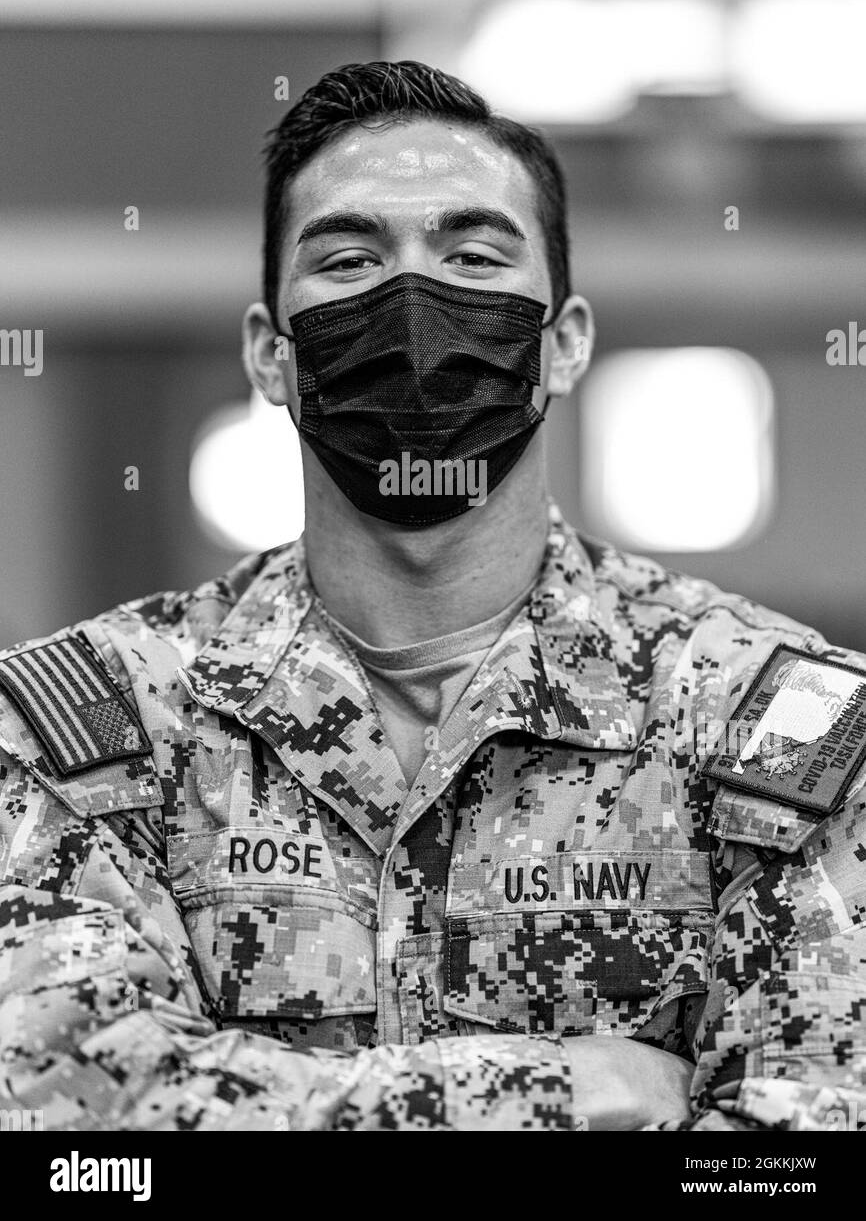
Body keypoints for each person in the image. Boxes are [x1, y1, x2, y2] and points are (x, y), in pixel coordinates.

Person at [1, 59, 865, 1132]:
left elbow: (806, 1139)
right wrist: (563, 1091)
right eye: (350, 258)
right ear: (271, 355)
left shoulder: (771, 726)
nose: (413, 303)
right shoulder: (100, 730)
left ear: (562, 343)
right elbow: (67, 1112)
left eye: (471, 254)